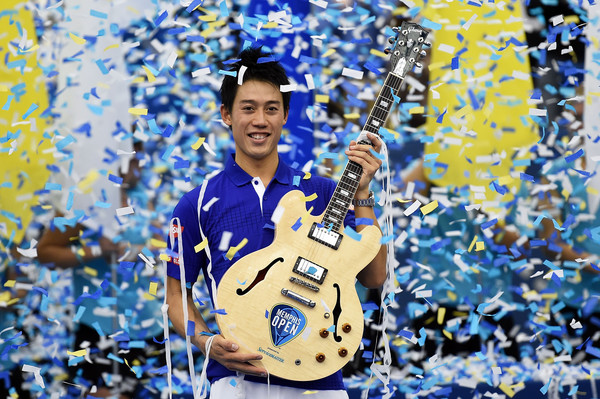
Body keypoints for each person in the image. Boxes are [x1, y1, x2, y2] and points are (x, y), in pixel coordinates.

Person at [165, 46, 387, 398]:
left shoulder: (323, 190)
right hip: (235, 381)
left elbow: (374, 277)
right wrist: (206, 341)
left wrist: (362, 193)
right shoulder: (196, 203)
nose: (260, 120)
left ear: (285, 115)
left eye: (271, 109)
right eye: (248, 108)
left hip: (320, 381)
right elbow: (175, 293)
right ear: (226, 114)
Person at [37, 145, 164, 398]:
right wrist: (96, 251)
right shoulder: (83, 201)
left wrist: (143, 248)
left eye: (139, 160)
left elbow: (159, 240)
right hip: (98, 327)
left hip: (145, 323)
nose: (136, 168)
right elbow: (45, 252)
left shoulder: (140, 195)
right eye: (130, 160)